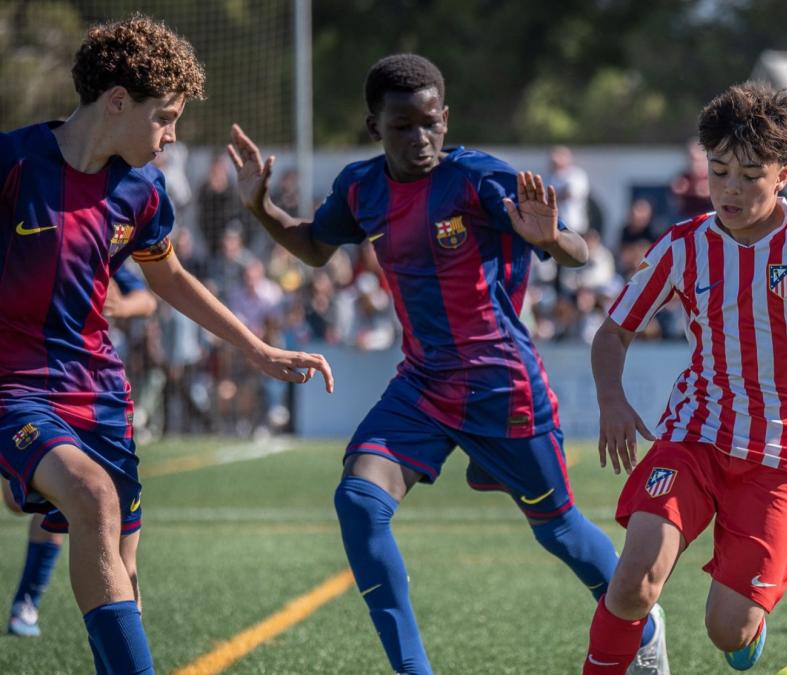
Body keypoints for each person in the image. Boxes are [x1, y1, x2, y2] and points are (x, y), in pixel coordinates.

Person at [228, 54, 667, 675]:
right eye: (402, 126)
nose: (420, 138)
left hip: (502, 384)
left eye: (430, 123)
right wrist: (260, 209)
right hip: (423, 385)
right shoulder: (362, 187)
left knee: (559, 531)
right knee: (358, 501)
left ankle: (643, 627)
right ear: (374, 125)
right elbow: (314, 246)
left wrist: (548, 238)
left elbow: (574, 251)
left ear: (446, 117)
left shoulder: (478, 178)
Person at [0, 15, 333, 674]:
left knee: (123, 570)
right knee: (93, 497)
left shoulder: (144, 191)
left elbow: (170, 279)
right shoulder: (10, 163)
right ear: (118, 101)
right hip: (15, 388)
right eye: (167, 117)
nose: (174, 135)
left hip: (99, 394)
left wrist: (257, 350)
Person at [581, 81, 787, 673]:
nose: (730, 188)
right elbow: (614, 331)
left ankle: (745, 628)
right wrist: (613, 399)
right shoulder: (683, 245)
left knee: (727, 632)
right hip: (695, 432)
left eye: (750, 174)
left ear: (783, 175)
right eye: (720, 170)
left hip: (782, 451)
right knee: (632, 582)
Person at [5, 266, 155, 638]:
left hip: (91, 391)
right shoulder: (26, 226)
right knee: (30, 498)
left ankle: (28, 601)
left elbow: (148, 297)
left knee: (86, 503)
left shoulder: (108, 228)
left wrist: (117, 306)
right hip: (28, 385)